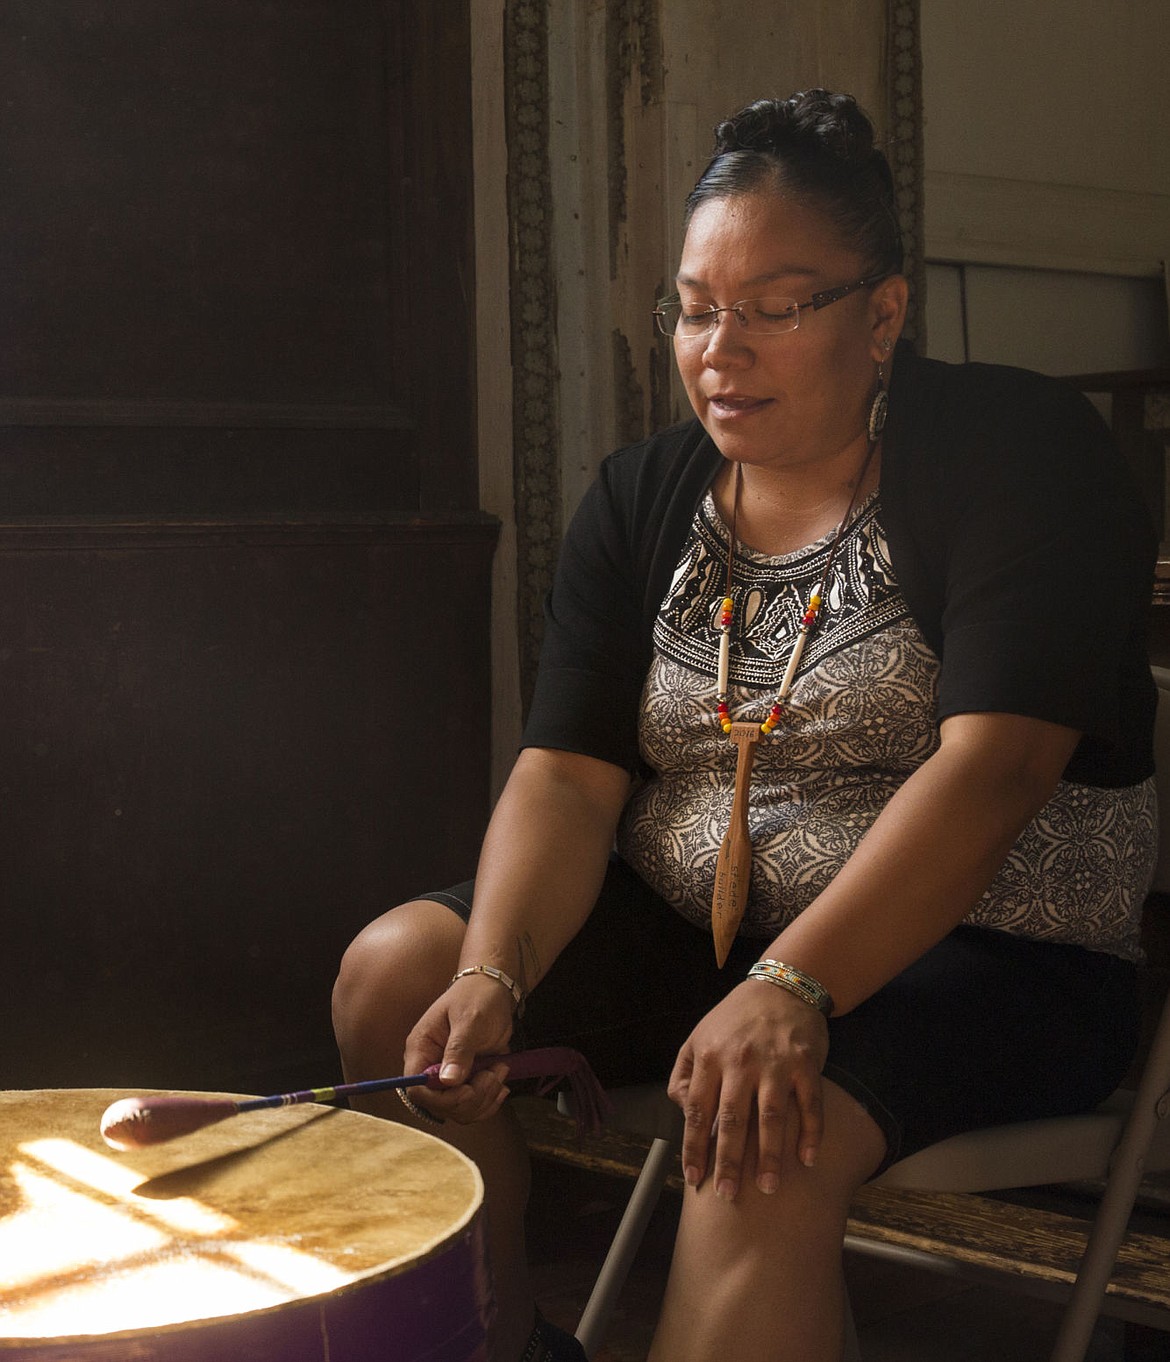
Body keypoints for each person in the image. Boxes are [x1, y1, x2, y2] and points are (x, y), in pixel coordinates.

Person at [332, 89, 1158, 1362]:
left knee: (759, 1129)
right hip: (706, 935)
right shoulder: (644, 492)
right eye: (697, 308)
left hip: (997, 951)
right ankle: (489, 1339)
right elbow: (565, 774)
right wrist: (494, 972)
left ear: (881, 313)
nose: (721, 348)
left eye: (775, 308)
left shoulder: (1016, 450)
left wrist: (793, 985)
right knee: (401, 976)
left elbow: (998, 770)